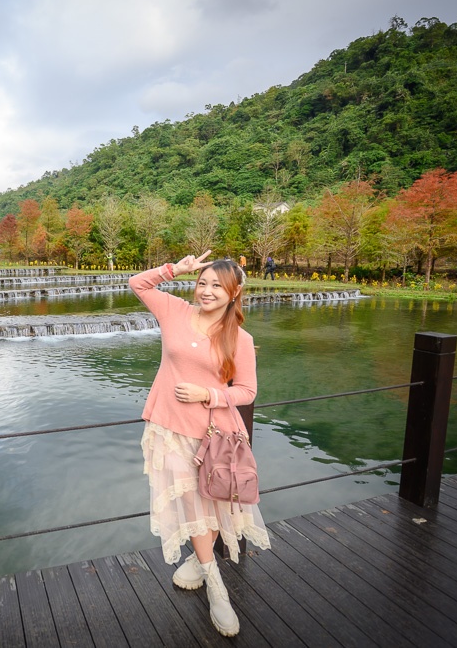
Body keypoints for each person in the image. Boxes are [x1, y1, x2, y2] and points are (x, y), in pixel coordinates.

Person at [129, 251, 270, 637]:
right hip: (168, 428)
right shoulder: (174, 311)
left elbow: (247, 390)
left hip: (213, 433)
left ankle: (202, 565)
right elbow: (137, 284)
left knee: (208, 501)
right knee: (190, 501)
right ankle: (216, 586)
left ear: (235, 292)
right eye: (202, 283)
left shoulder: (239, 338)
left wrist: (208, 393)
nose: (206, 291)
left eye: (216, 286)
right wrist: (175, 269)